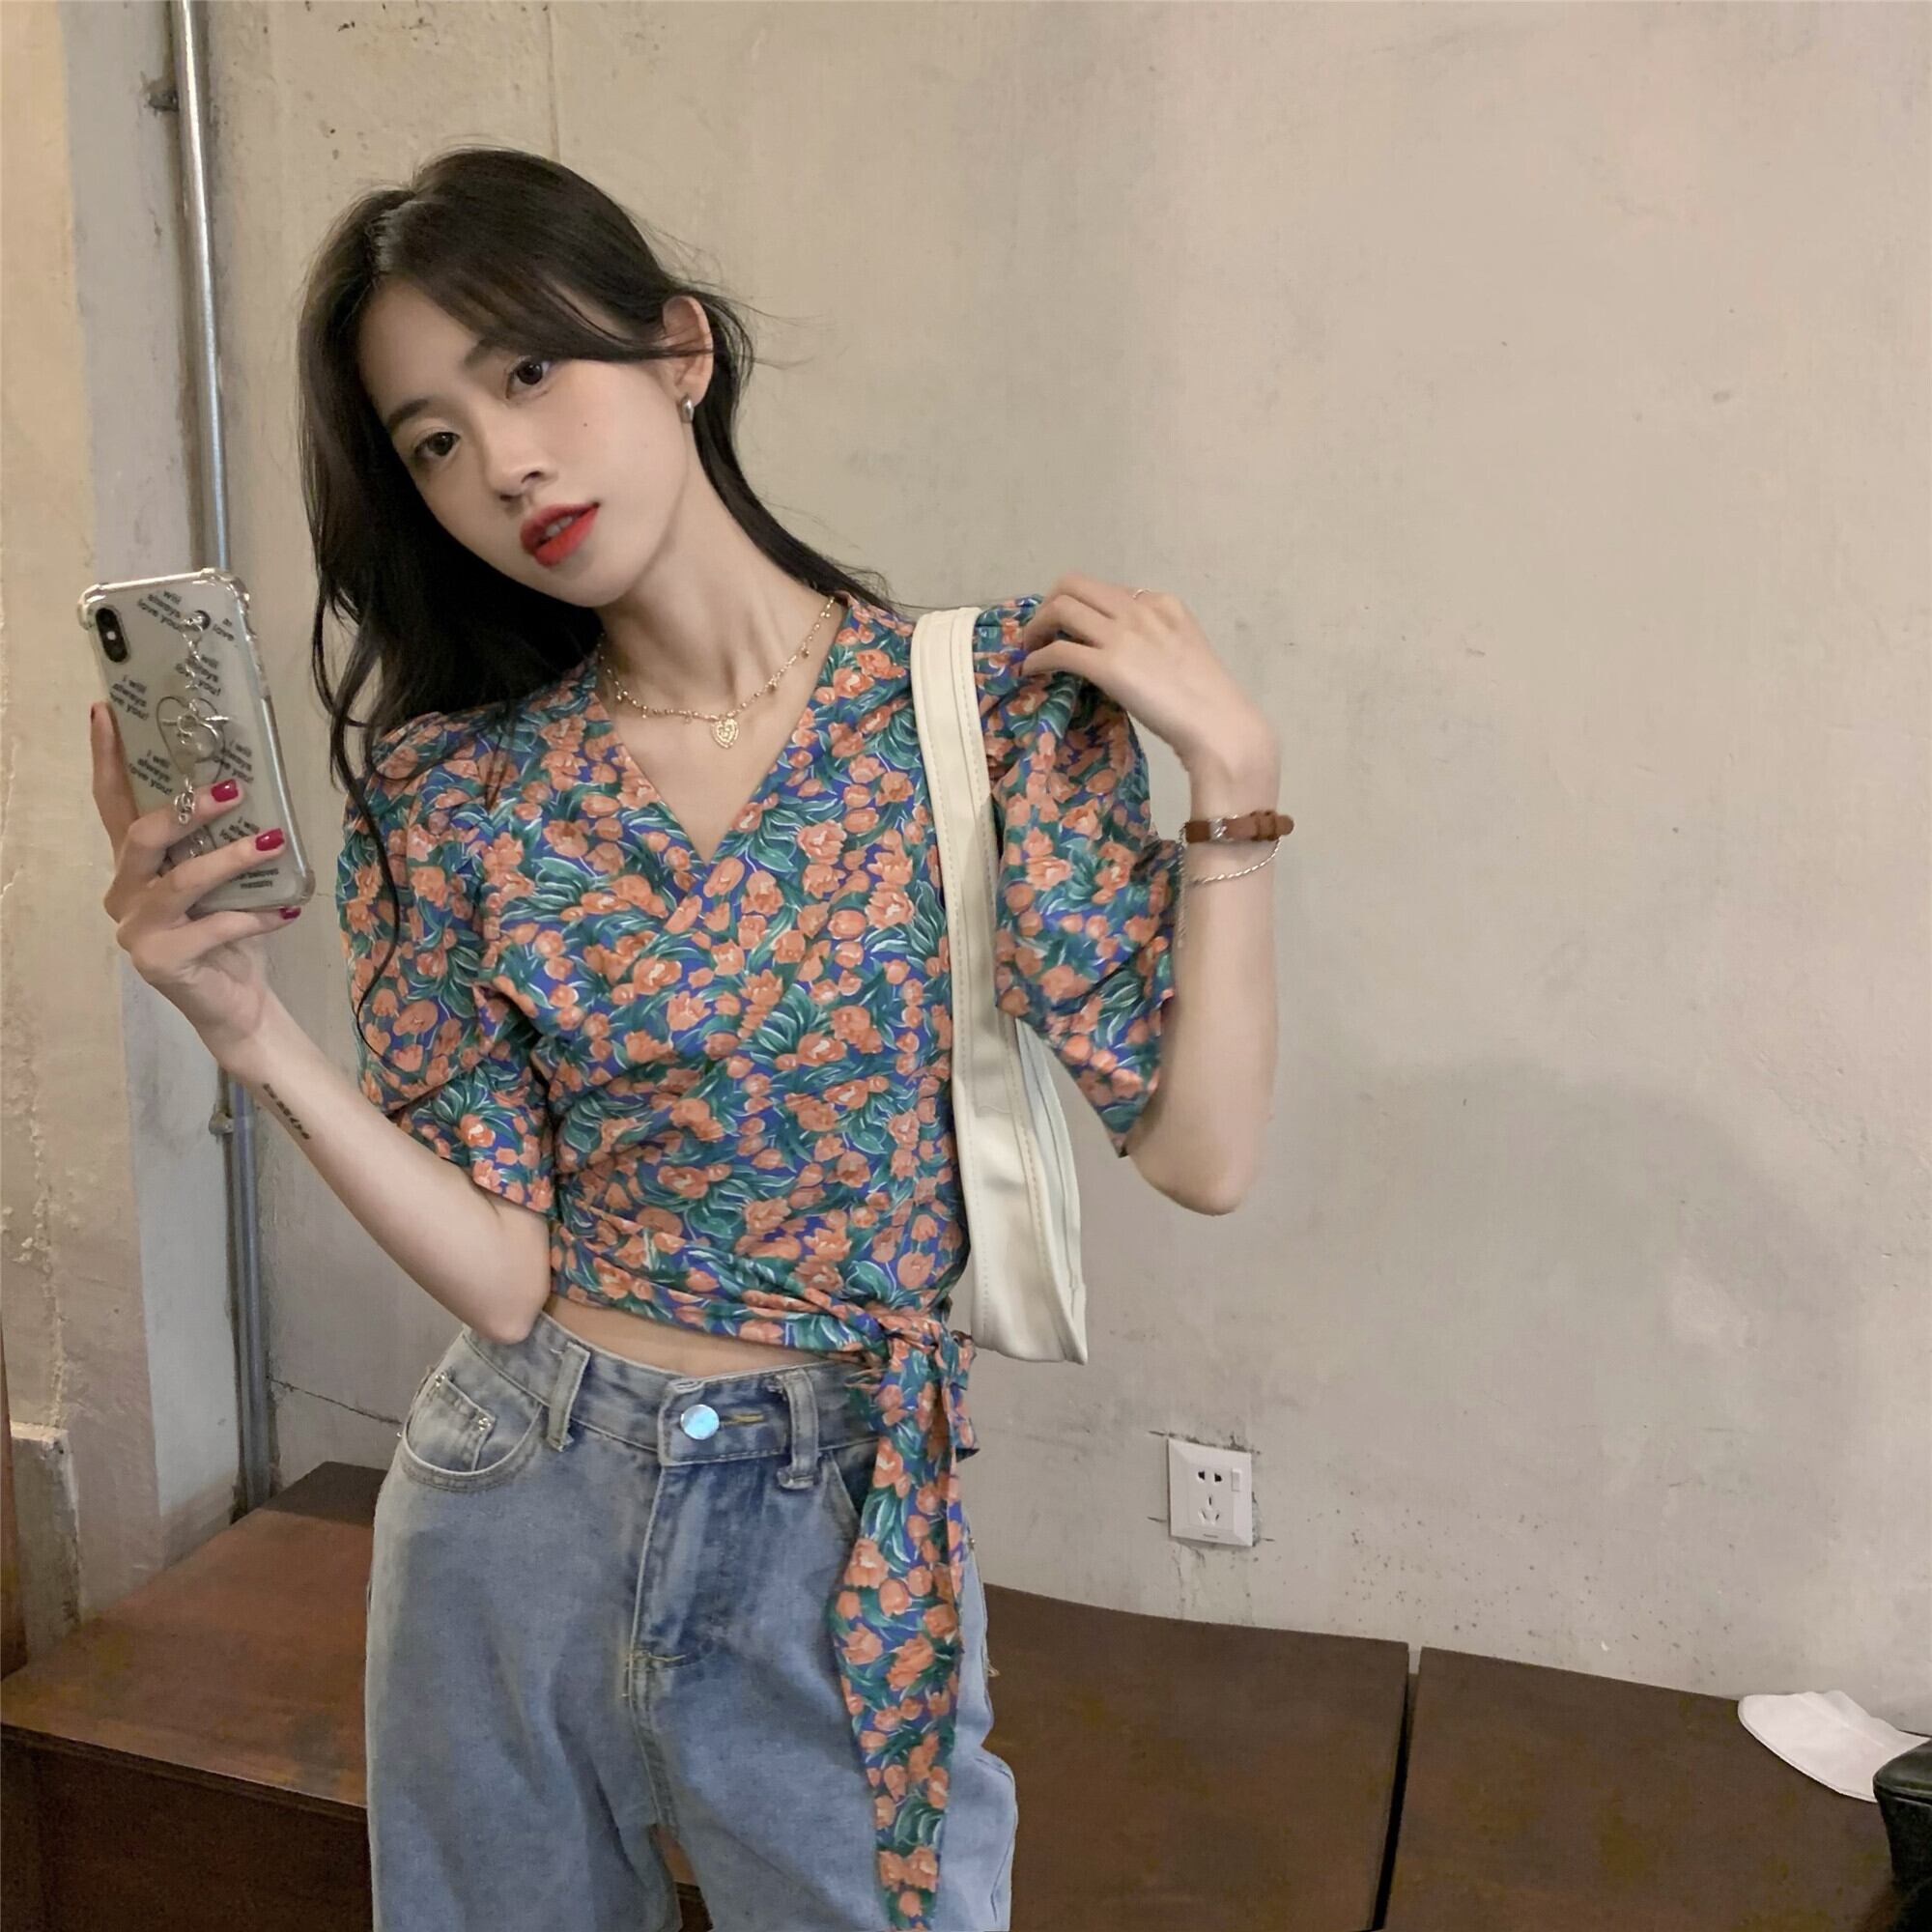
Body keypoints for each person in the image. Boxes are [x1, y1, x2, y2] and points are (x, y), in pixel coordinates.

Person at [88, 145, 1282, 1932]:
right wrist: (247, 1031)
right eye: (434, 441)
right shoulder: (455, 790)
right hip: (517, 1501)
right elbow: (504, 1276)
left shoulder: (980, 711)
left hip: (836, 1510)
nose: (504, 463)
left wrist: (1236, 793)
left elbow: (1203, 1154)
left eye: (528, 370)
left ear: (680, 350)